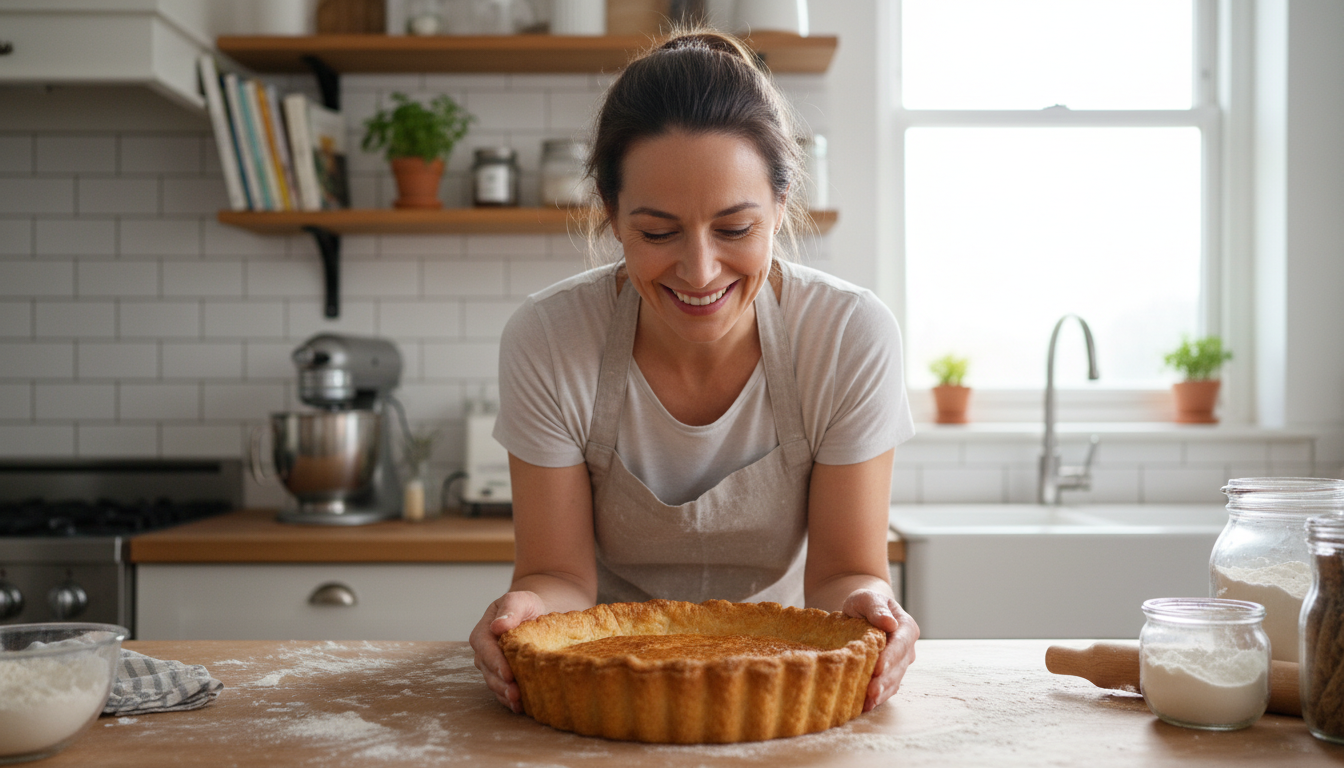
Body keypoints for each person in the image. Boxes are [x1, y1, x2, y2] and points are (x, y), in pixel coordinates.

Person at [470, 29, 919, 716]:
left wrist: (870, 603)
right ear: (611, 214)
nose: (701, 271)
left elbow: (843, 575)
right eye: (658, 232)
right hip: (609, 685)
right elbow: (559, 575)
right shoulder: (550, 338)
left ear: (781, 205)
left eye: (735, 229)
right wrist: (525, 606)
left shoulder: (847, 335)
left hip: (781, 681)